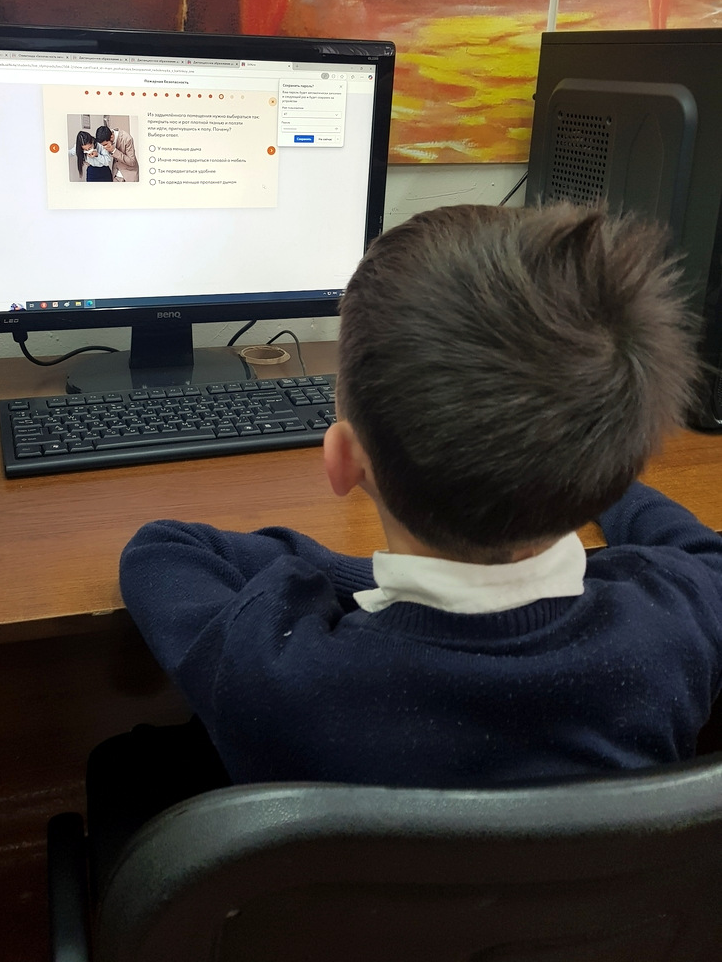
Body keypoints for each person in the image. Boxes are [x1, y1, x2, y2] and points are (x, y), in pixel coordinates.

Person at [99, 202, 721, 841]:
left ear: (344, 461)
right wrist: (595, 467)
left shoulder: (279, 672)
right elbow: (705, 552)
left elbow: (161, 552)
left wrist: (334, 575)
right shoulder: (679, 618)